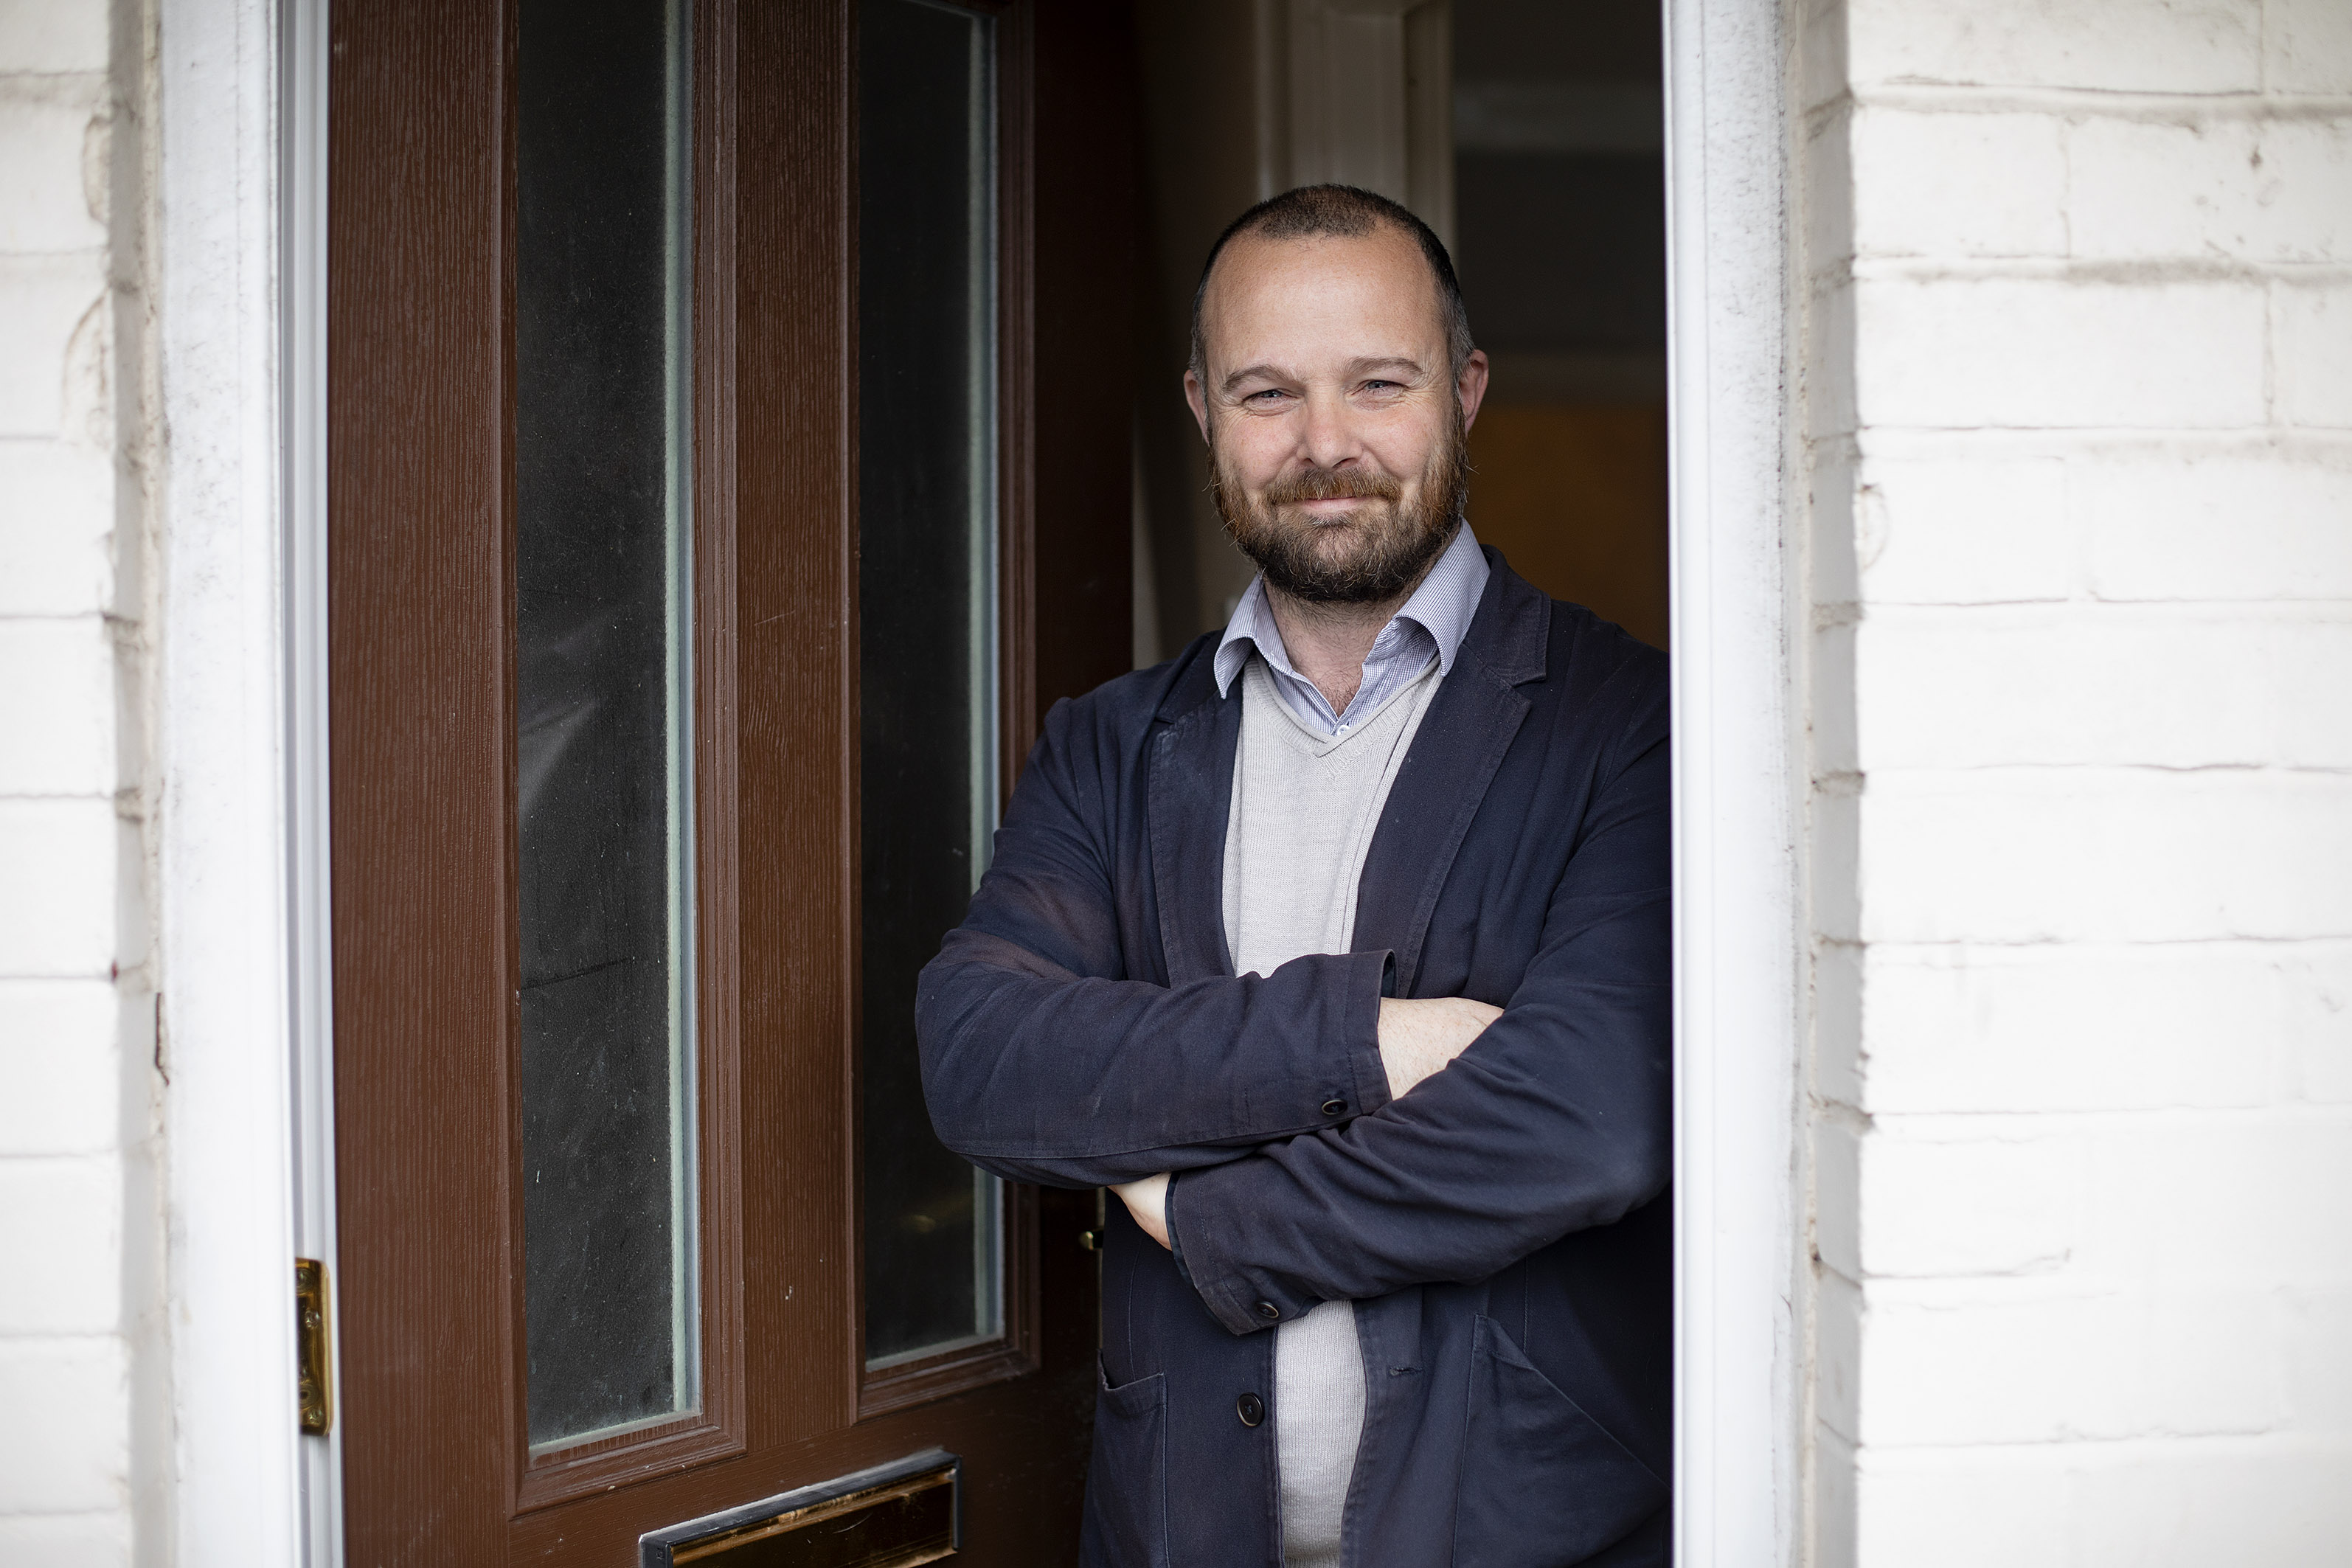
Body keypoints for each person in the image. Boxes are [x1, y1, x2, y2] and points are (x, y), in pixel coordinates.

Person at [917, 184, 1671, 1567]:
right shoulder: (1109, 749)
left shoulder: (1627, 723)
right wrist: (1363, 1042)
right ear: (1202, 408)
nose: (1326, 445)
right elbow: (980, 1054)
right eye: (1268, 393)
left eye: (1377, 383)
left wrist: (1215, 1218)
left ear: (1464, 388)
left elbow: (1590, 1113)